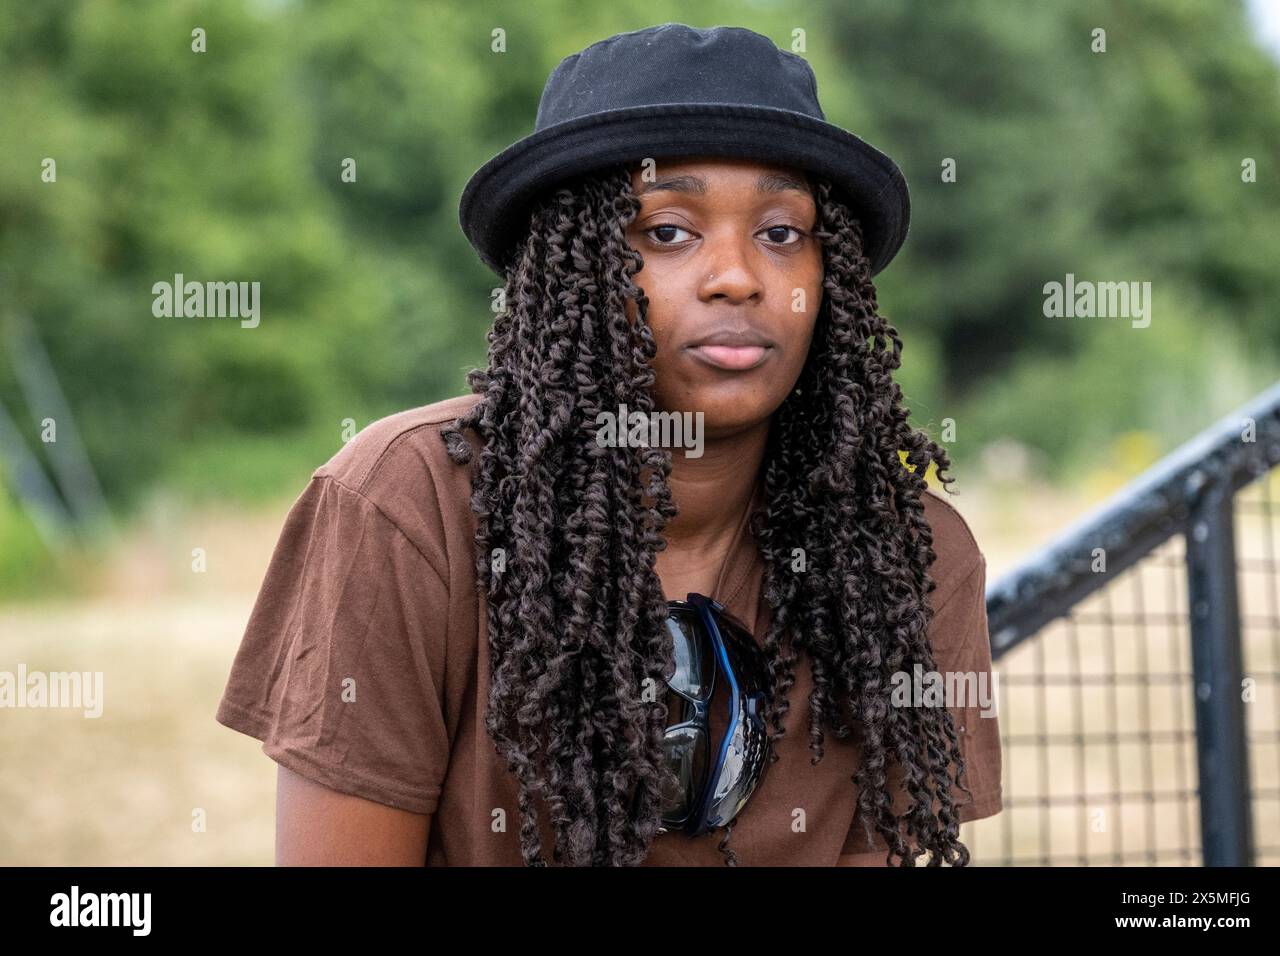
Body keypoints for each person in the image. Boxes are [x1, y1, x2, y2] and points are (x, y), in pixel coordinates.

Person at [216, 22, 1002, 867]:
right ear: (571, 274)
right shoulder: (405, 506)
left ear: (828, 278)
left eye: (782, 232)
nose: (737, 275)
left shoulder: (911, 557)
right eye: (668, 231)